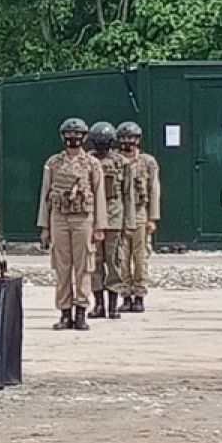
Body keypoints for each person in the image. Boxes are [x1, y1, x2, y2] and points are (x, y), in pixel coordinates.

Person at [38, 118, 108, 331]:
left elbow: (99, 195)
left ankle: (81, 311)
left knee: (84, 267)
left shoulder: (92, 164)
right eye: (69, 134)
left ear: (85, 137)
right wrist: (45, 227)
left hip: (83, 218)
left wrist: (99, 226)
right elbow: (45, 195)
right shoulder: (53, 163)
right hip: (59, 218)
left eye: (77, 135)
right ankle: (65, 312)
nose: (73, 139)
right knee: (62, 267)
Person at [88, 121, 134, 319]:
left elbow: (128, 194)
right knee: (94, 262)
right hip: (91, 217)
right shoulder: (88, 161)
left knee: (114, 260)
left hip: (115, 216)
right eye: (99, 142)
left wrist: (129, 223)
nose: (101, 146)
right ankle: (98, 304)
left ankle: (114, 304)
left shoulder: (121, 163)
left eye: (105, 142)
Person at [116, 121, 160, 313]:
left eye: (131, 138)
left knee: (141, 257)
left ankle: (140, 294)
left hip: (140, 213)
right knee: (121, 258)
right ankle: (125, 295)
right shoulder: (115, 161)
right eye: (124, 138)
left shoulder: (147, 162)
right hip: (119, 215)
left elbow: (154, 189)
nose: (128, 141)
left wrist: (153, 217)